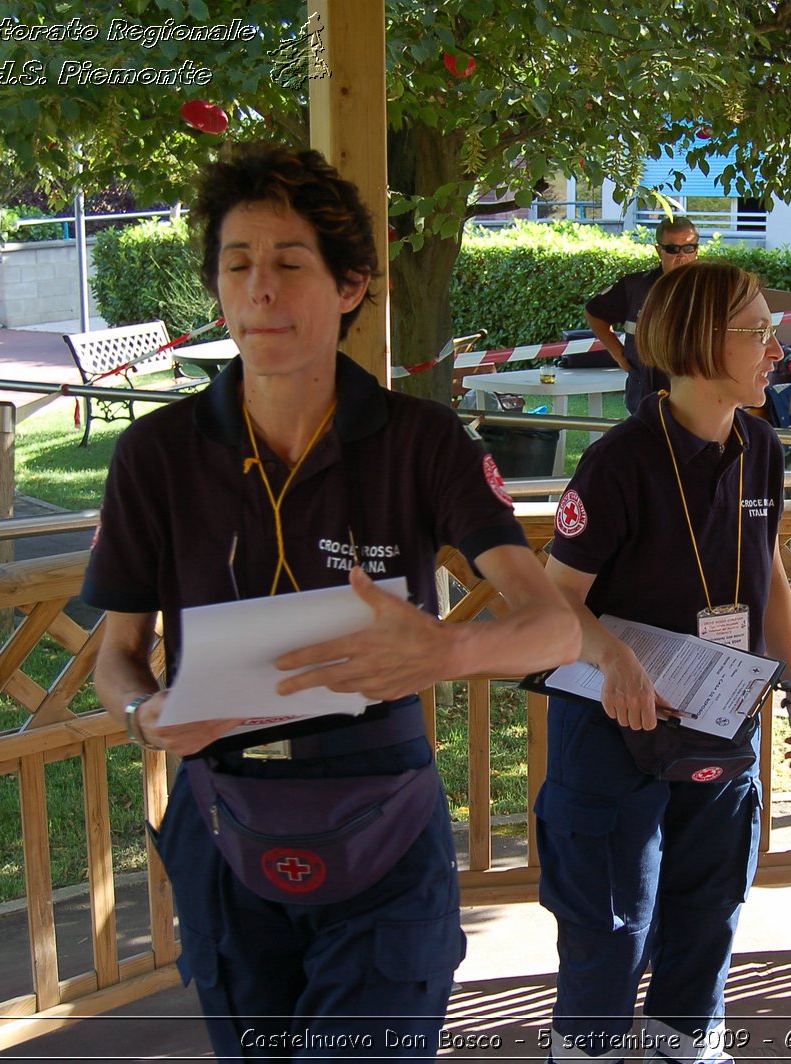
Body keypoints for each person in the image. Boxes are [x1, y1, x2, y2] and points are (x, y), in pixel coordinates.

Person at [82, 142, 579, 1060]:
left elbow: (556, 625)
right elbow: (116, 657)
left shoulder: (421, 442)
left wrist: (449, 652)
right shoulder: (155, 454)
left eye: (289, 263)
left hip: (383, 811)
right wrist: (142, 717)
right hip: (220, 816)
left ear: (349, 286)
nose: (259, 289)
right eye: (237, 265)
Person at [539, 258, 791, 1062]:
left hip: (723, 716)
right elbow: (555, 599)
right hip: (614, 726)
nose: (778, 348)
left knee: (709, 903)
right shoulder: (620, 462)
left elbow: (770, 579)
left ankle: (686, 1046)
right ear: (702, 343)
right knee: (611, 918)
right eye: (760, 330)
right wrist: (614, 658)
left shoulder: (761, 445)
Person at [585, 216, 701, 414]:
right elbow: (594, 313)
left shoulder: (713, 289)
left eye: (688, 248)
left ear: (696, 250)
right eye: (672, 249)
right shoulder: (635, 287)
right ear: (659, 250)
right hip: (644, 393)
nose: (681, 256)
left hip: (697, 393)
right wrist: (619, 356)